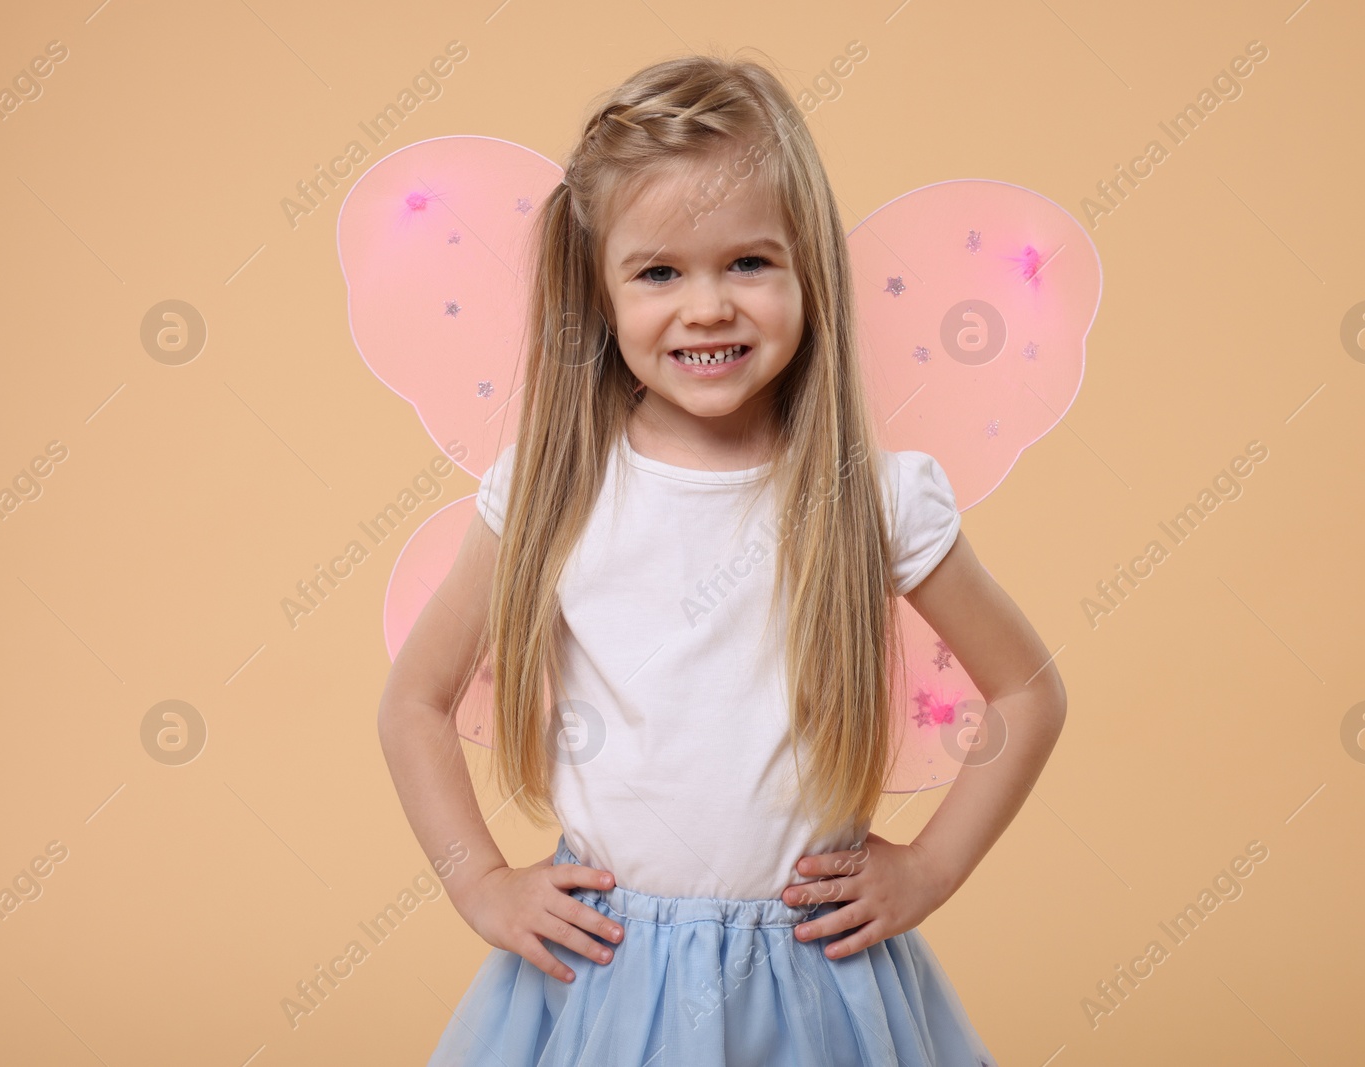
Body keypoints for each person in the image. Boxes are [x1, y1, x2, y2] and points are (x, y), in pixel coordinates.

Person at [377, 51, 1067, 1067]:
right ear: (598, 293)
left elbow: (1028, 690)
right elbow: (412, 703)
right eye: (658, 272)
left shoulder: (872, 497)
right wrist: (477, 878)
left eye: (747, 262)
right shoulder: (552, 490)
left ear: (807, 272)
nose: (706, 307)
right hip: (609, 972)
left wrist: (927, 870)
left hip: (813, 979)